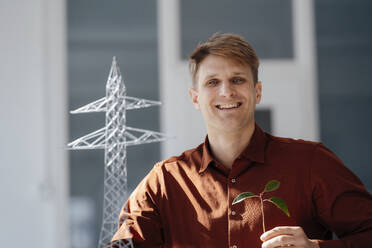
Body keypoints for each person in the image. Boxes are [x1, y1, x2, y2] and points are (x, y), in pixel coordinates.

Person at [106, 33, 372, 248]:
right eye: (212, 82)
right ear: (195, 98)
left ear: (257, 92)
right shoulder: (164, 181)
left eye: (237, 79)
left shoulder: (311, 163)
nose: (226, 91)